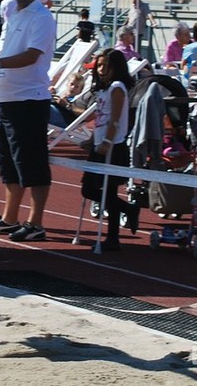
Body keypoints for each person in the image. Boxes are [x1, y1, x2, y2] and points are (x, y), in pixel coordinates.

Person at [0, 0, 56, 242]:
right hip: (6, 97)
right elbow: (6, 45)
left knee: (31, 162)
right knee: (7, 161)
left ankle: (35, 222)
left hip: (29, 99)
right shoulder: (10, 9)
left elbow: (31, 55)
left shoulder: (43, 17)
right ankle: (10, 218)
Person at [80, 48, 138, 251]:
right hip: (99, 143)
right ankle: (128, 209)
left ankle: (113, 237)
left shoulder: (117, 87)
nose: (102, 69)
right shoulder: (103, 89)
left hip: (113, 146)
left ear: (117, 68)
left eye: (107, 66)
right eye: (100, 65)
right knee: (89, 189)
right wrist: (92, 140)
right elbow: (101, 118)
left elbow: (115, 119)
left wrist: (107, 141)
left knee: (109, 190)